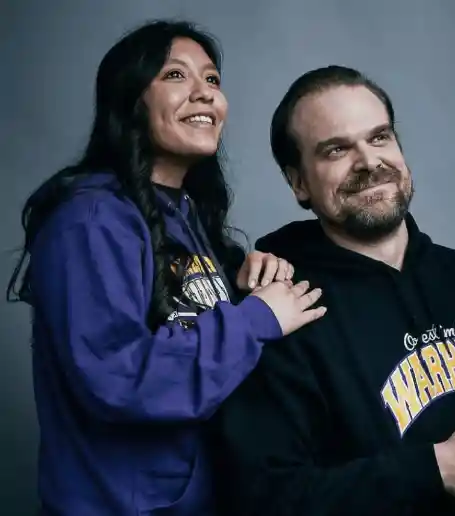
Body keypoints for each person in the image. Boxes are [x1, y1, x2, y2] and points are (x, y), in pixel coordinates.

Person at [211, 65, 455, 516]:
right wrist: (435, 472)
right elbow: (268, 497)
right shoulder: (280, 310)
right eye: (337, 149)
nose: (370, 162)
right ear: (299, 183)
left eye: (379, 138)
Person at [6, 20, 326, 516]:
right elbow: (119, 379)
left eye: (213, 80)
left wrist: (237, 283)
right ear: (132, 99)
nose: (204, 94)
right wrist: (256, 317)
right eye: (176, 76)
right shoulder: (89, 220)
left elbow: (181, 324)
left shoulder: (183, 213)